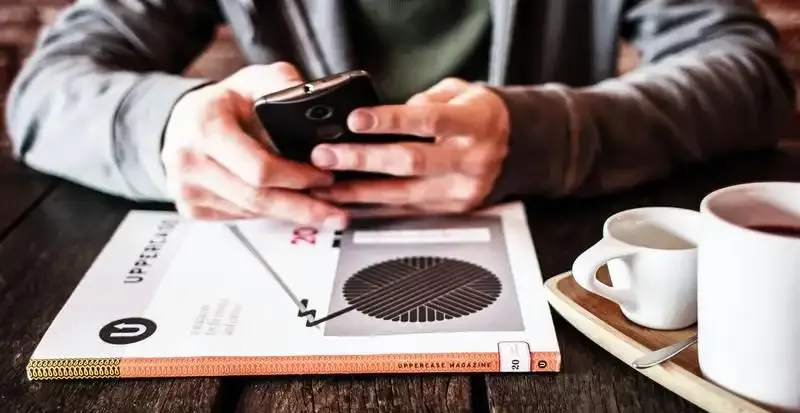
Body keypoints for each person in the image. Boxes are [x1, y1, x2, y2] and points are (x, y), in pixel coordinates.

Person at [4, 0, 795, 228]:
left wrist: (541, 136)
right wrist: (169, 127)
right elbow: (47, 89)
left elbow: (749, 70)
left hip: (568, 264)